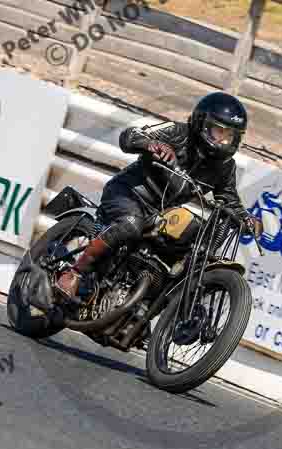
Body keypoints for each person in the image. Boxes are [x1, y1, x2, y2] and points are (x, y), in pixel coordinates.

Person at [52, 91, 263, 302]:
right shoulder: (178, 132)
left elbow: (229, 198)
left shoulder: (225, 166)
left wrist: (246, 218)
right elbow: (130, 135)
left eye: (230, 136)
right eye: (220, 131)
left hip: (160, 215)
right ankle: (75, 273)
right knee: (131, 224)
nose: (224, 140)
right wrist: (152, 145)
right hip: (128, 194)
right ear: (202, 123)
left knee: (179, 254)